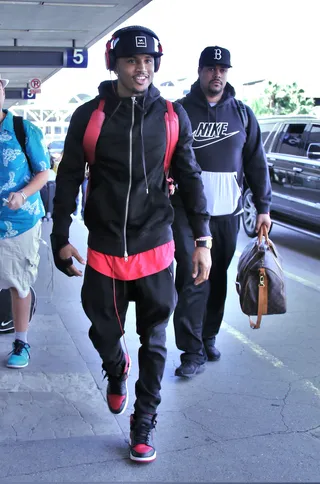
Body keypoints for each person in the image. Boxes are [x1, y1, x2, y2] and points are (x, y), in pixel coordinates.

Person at [50, 26, 212, 463]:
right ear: (115, 64)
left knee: (155, 340)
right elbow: (67, 178)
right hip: (104, 248)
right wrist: (60, 236)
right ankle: (115, 367)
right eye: (131, 61)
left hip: (156, 246)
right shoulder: (89, 116)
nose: (141, 69)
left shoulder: (172, 116)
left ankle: (144, 422)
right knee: (104, 331)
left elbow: (191, 176)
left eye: (147, 62)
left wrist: (202, 239)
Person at [171, 46, 272, 378]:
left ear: (227, 74)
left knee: (215, 278)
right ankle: (191, 350)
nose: (217, 73)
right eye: (211, 68)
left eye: (223, 69)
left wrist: (263, 207)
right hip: (187, 213)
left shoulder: (242, 114)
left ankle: (208, 335)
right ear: (200, 71)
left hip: (227, 213)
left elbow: (257, 163)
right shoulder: (180, 110)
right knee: (191, 275)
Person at [0, 74, 50, 368]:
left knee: (19, 283)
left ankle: (22, 342)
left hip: (20, 221)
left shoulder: (23, 130)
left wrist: (22, 194)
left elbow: (43, 172)